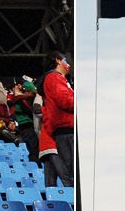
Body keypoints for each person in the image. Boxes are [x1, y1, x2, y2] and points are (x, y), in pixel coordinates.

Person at [38, 51, 74, 187]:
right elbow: (65, 100)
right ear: (59, 60)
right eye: (66, 60)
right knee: (70, 178)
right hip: (65, 130)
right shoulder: (54, 77)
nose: (69, 65)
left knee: (64, 179)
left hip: (59, 132)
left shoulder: (58, 79)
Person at [10, 80, 38, 161]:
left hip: (24, 127)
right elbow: (30, 112)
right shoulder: (21, 101)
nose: (33, 95)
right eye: (32, 93)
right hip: (27, 127)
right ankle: (36, 165)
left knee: (32, 148)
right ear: (27, 92)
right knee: (34, 148)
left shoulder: (19, 100)